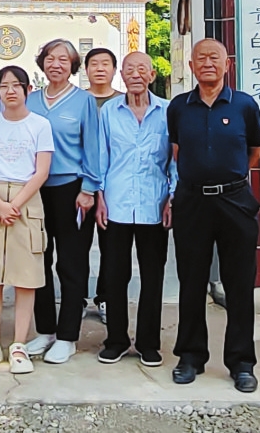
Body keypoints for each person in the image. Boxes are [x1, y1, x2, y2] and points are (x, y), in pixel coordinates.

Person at [168, 38, 260, 394]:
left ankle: (242, 363)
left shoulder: (244, 105)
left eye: (215, 58)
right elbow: (177, 150)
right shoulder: (179, 107)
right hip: (192, 202)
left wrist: (229, 178)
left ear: (227, 65)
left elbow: (254, 150)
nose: (208, 63)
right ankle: (190, 356)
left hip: (234, 200)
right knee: (191, 282)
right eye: (201, 58)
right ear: (191, 66)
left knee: (239, 284)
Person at [0, 66, 54, 374]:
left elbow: (41, 171)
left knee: (25, 277)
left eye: (17, 85)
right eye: (4, 86)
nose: (10, 91)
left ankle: (19, 345)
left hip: (26, 201)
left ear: (28, 89)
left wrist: (13, 205)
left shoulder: (40, 125)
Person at [94, 52, 174, 366]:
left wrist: (173, 197)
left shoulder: (167, 112)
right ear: (122, 76)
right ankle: (115, 340)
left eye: (142, 69)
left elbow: (175, 159)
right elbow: (101, 155)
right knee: (115, 275)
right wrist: (99, 195)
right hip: (116, 204)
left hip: (154, 203)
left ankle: (148, 343)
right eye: (130, 69)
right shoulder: (109, 112)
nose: (136, 74)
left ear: (152, 75)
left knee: (153, 276)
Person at [23, 38, 100, 364]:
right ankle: (45, 331)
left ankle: (67, 336)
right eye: (50, 58)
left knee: (71, 263)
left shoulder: (84, 101)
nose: (56, 64)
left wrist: (89, 188)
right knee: (37, 260)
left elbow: (93, 146)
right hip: (34, 190)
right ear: (42, 62)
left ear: (72, 66)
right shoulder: (31, 100)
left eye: (63, 60)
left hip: (72, 190)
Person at [84, 46, 121, 325]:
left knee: (111, 246)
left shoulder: (122, 101)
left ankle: (105, 297)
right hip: (81, 184)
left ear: (114, 69)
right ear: (86, 69)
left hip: (114, 185)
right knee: (77, 246)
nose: (99, 68)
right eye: (94, 63)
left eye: (105, 63)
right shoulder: (77, 100)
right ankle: (77, 299)